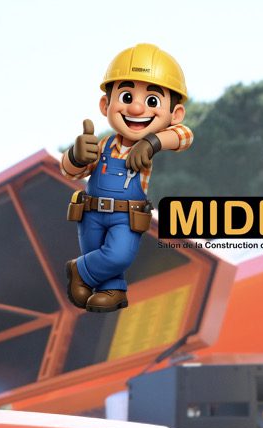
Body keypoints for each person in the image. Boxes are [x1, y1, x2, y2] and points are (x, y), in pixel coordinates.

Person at [60, 43, 195, 314]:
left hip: (126, 215)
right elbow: (71, 172)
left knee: (119, 254)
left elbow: (184, 136)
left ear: (175, 114)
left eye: (152, 101)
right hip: (90, 213)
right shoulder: (102, 146)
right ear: (105, 105)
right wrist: (76, 155)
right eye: (126, 96)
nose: (135, 108)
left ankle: (80, 271)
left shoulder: (154, 143)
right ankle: (112, 290)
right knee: (98, 252)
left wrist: (153, 142)